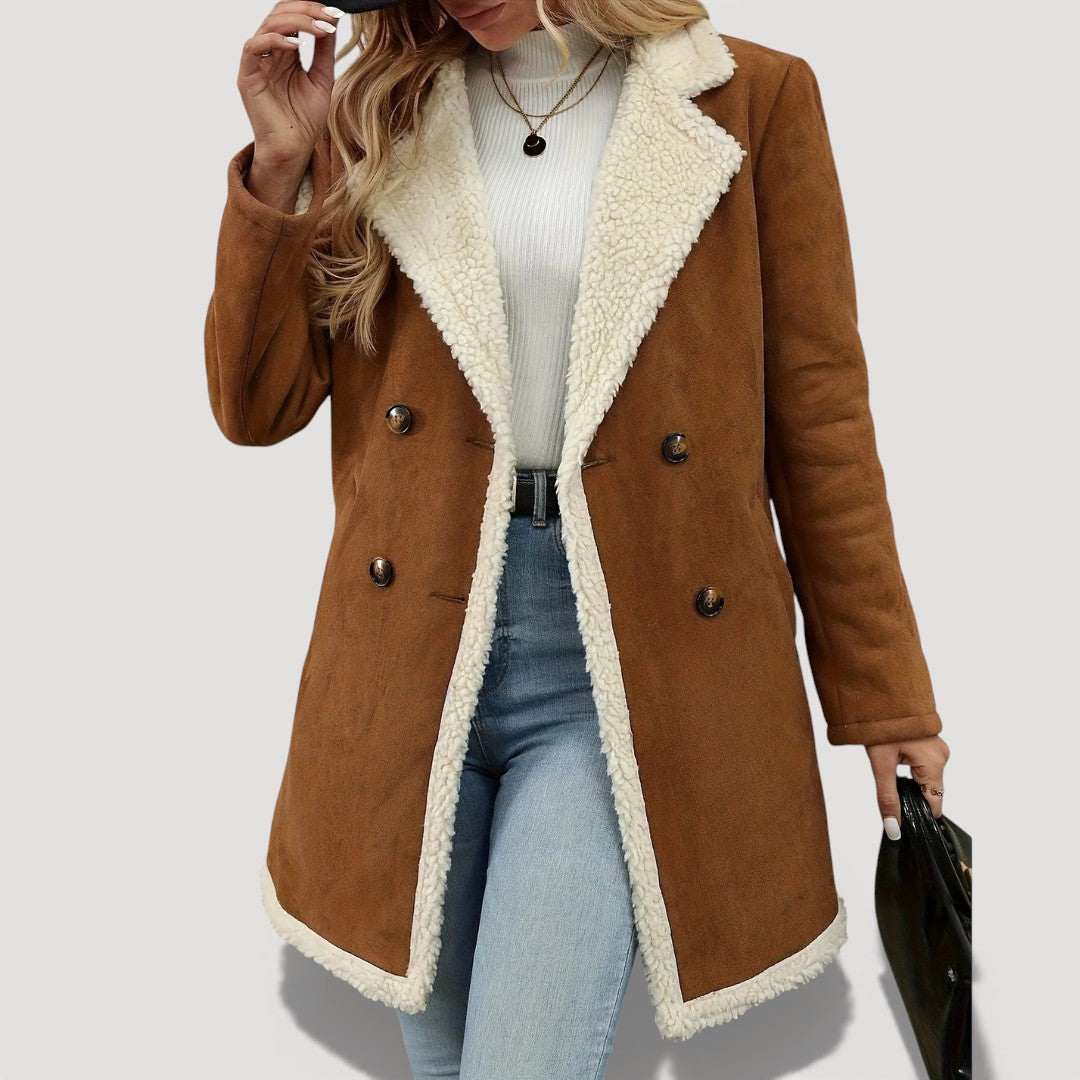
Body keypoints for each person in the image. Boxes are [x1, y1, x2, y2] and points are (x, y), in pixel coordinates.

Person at [205, 1, 952, 1076]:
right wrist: (281, 169)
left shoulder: (750, 98)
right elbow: (255, 404)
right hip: (408, 668)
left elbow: (819, 421)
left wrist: (886, 698)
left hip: (623, 656)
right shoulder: (375, 109)